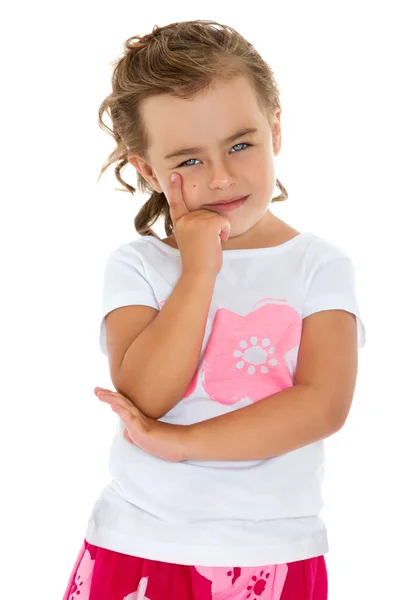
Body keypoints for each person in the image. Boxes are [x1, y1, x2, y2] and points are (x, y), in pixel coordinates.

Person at [62, 19, 366, 600]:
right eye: (189, 161)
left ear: (275, 129)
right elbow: (148, 395)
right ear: (149, 171)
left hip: (272, 555)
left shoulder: (319, 265)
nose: (223, 175)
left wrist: (181, 443)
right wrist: (200, 269)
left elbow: (323, 405)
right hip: (136, 544)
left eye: (240, 144)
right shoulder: (138, 266)